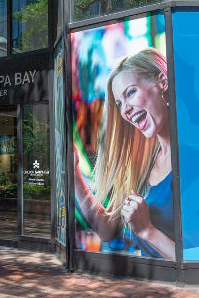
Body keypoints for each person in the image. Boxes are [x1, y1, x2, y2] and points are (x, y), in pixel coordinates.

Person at [72, 48, 176, 260]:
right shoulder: (141, 162)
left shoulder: (194, 157)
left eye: (130, 93)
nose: (125, 110)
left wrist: (147, 231)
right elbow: (107, 230)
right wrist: (73, 172)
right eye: (119, 103)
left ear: (162, 83)